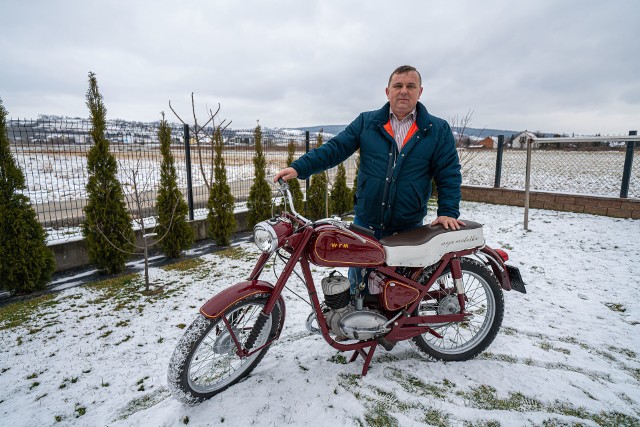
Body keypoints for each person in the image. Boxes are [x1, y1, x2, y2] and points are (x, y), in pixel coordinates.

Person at [274, 65, 464, 292]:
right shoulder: (367, 122)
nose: (404, 91)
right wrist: (299, 168)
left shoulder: (437, 129)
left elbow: (449, 173)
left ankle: (407, 327)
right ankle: (357, 326)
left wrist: (448, 211)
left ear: (420, 92)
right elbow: (335, 148)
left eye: (410, 86)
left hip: (409, 227)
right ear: (387, 91)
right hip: (366, 224)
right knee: (359, 287)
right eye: (398, 86)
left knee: (404, 291)